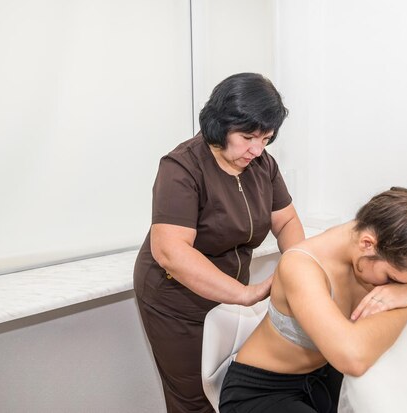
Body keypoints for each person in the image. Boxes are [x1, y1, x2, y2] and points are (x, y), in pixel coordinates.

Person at [133, 73, 305, 413]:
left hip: (227, 296)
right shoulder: (182, 167)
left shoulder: (261, 164)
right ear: (219, 125)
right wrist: (244, 294)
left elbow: (284, 219)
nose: (257, 149)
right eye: (247, 137)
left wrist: (301, 264)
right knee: (195, 399)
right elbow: (171, 251)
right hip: (177, 301)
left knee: (229, 388)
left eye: (266, 139)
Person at [219, 182, 407, 413]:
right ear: (368, 244)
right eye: (392, 279)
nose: (394, 287)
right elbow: (353, 358)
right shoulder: (301, 265)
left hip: (325, 378)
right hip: (262, 392)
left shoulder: (387, 247)